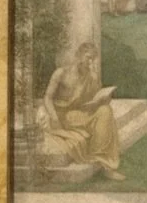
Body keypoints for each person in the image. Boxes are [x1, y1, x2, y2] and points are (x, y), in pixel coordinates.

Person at [39, 42, 123, 179]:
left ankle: (103, 161)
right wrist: (53, 117)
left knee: (105, 111)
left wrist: (102, 99)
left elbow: (94, 98)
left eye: (92, 59)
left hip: (80, 114)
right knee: (103, 116)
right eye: (87, 58)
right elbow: (47, 98)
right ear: (79, 56)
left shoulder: (91, 77)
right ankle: (102, 163)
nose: (90, 62)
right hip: (63, 115)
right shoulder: (61, 73)